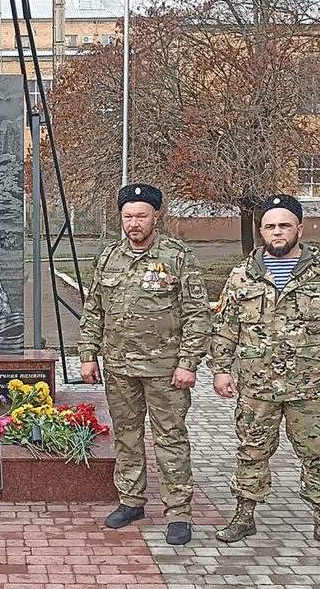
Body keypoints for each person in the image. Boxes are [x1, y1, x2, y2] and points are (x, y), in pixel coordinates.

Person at [77, 183, 212, 546]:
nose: (134, 223)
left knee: (170, 438)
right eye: (128, 217)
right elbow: (94, 310)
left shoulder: (177, 256)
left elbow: (197, 314)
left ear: (157, 216)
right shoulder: (109, 257)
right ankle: (131, 500)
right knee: (127, 435)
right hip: (119, 368)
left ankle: (178, 511)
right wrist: (88, 354)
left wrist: (188, 363)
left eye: (141, 216)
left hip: (166, 370)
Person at [210, 194, 320, 551]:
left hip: (309, 386)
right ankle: (244, 515)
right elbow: (226, 327)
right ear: (261, 231)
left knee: (318, 453)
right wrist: (221, 370)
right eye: (270, 226)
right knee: (252, 450)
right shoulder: (243, 275)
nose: (277, 232)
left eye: (284, 225)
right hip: (256, 386)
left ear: (300, 228)